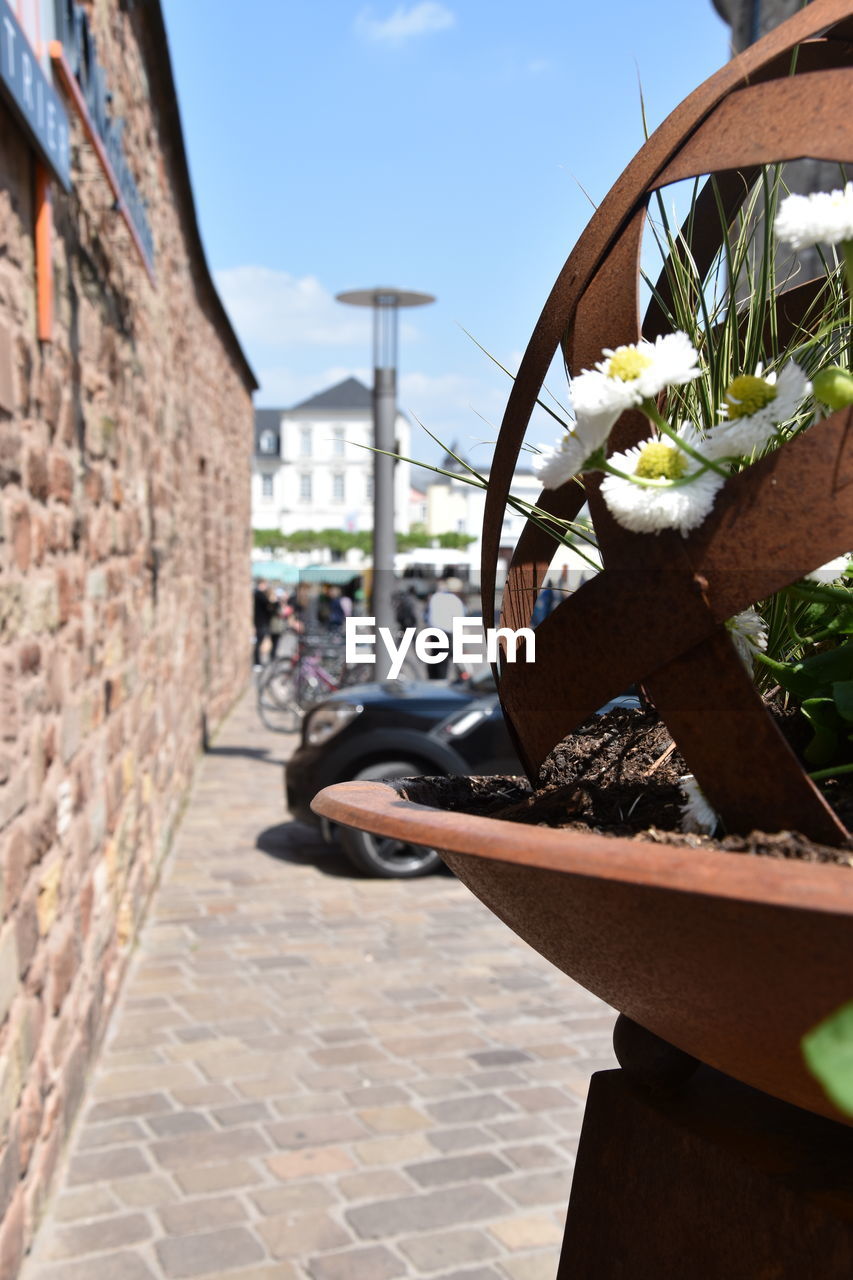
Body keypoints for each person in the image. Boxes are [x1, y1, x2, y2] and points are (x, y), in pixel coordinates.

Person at [425, 577, 466, 680]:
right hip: (446, 632)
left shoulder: (435, 597)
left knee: (434, 657)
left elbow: (427, 615)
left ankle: (431, 679)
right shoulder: (456, 601)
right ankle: (440, 682)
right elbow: (459, 620)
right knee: (444, 661)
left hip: (433, 631)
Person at [252, 578, 277, 669]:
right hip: (260, 622)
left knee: (259, 642)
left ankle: (258, 661)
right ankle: (256, 662)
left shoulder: (258, 594)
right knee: (259, 643)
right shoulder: (258, 594)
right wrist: (273, 601)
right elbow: (268, 604)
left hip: (261, 622)